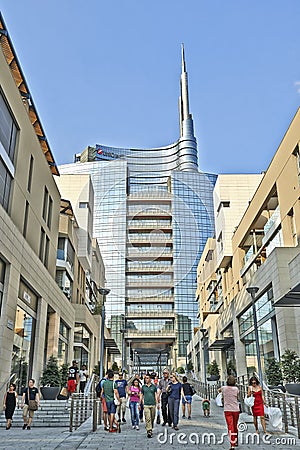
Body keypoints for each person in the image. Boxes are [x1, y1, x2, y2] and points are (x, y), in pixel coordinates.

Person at [220, 375, 240, 450]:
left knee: (230, 426)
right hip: (236, 409)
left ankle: (232, 444)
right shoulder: (236, 389)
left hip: (227, 410)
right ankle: (236, 440)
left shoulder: (224, 388)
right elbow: (237, 397)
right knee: (235, 425)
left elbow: (218, 390)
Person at [141, 374, 159, 438]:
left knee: (152, 418)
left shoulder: (153, 387)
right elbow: (141, 395)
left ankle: (150, 427)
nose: (146, 379)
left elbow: (156, 395)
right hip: (146, 405)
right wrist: (141, 402)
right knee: (147, 418)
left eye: (147, 378)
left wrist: (158, 403)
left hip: (153, 404)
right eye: (145, 378)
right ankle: (149, 431)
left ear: (150, 379)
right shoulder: (143, 387)